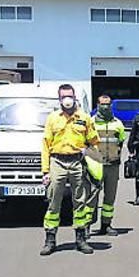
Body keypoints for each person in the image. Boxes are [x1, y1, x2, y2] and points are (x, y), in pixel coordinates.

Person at [40, 84, 100, 256]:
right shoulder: (52, 118)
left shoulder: (85, 118)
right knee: (53, 201)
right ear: (59, 99)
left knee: (79, 201)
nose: (67, 99)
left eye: (70, 96)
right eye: (64, 96)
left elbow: (94, 141)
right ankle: (50, 240)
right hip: (57, 162)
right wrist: (45, 171)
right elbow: (45, 145)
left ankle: (81, 239)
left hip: (77, 163)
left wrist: (88, 152)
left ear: (75, 98)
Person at [86, 95, 126, 236]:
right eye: (103, 104)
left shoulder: (118, 123)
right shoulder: (90, 122)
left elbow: (121, 141)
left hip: (112, 165)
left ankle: (106, 225)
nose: (105, 106)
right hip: (95, 165)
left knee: (110, 197)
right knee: (92, 197)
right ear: (97, 104)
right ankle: (86, 226)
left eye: (108, 104)